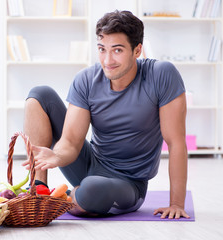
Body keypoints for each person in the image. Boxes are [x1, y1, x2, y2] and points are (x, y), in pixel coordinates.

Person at [22, 10, 189, 219]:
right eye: (102, 49)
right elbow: (71, 142)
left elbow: (176, 142)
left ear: (137, 50)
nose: (107, 60)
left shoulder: (161, 75)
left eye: (117, 50)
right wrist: (56, 155)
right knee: (39, 95)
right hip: (90, 164)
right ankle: (38, 189)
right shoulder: (86, 79)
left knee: (91, 190)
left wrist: (176, 203)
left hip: (128, 183)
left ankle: (76, 196)